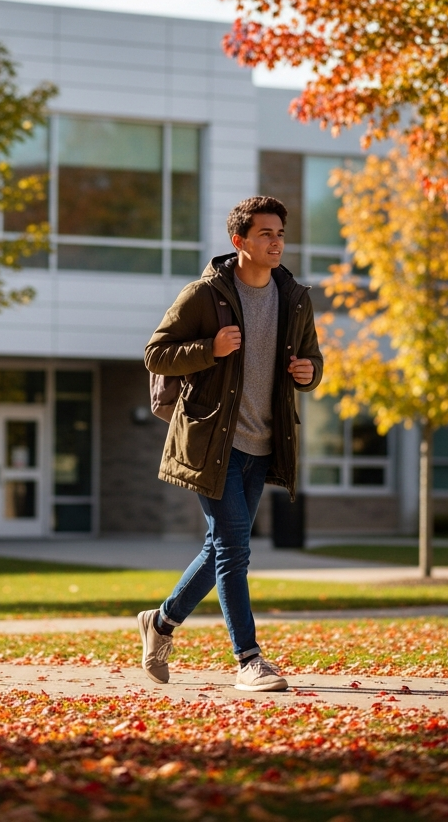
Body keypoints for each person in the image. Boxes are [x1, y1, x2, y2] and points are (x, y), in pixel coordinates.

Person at [139, 196, 323, 691]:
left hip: (265, 444)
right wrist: (209, 349)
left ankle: (160, 623)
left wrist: (310, 374)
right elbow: (156, 354)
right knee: (235, 550)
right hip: (212, 442)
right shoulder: (205, 295)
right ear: (239, 241)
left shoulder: (295, 298)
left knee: (221, 547)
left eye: (280, 234)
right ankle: (249, 659)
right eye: (265, 234)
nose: (276, 242)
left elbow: (312, 360)